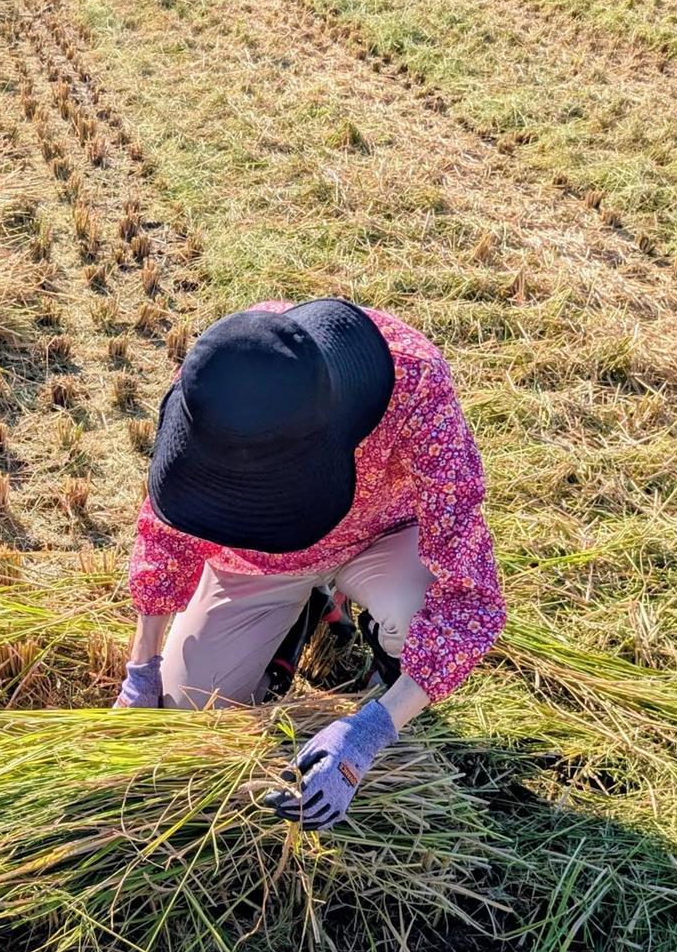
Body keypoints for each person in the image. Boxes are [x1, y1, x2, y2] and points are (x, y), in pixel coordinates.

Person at [113, 297, 505, 830]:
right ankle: (300, 618)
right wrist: (142, 667)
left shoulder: (415, 382)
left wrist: (371, 731)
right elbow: (167, 528)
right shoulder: (219, 380)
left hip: (379, 537)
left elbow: (469, 596)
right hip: (258, 560)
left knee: (418, 618)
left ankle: (381, 659)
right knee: (190, 707)